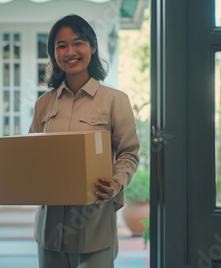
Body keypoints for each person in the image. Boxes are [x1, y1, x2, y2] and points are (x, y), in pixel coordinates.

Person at [29, 14, 140, 268]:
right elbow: (32, 156)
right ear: (53, 54)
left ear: (92, 46)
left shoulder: (115, 100)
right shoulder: (43, 104)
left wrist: (117, 183)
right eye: (61, 46)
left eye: (77, 42)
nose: (70, 51)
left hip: (95, 228)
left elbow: (129, 153)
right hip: (50, 231)